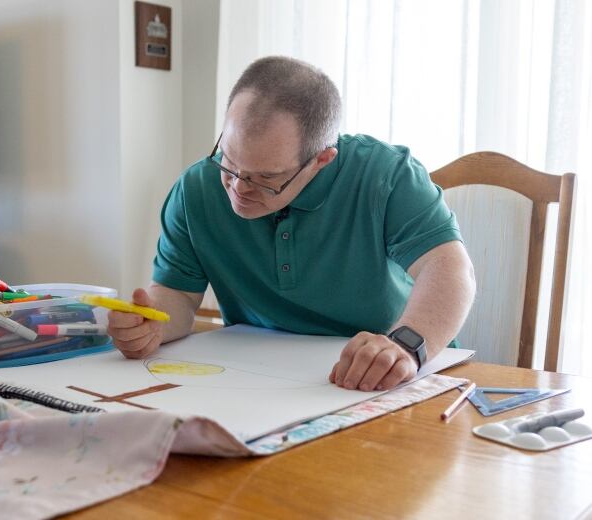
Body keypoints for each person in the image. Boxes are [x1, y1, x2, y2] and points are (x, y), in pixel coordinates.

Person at [107, 56, 476, 391]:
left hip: (389, 376)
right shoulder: (196, 188)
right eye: (229, 160)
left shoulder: (387, 175)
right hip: (262, 379)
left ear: (322, 160)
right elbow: (179, 297)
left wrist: (404, 346)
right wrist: (151, 324)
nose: (237, 187)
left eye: (265, 178)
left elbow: (448, 268)